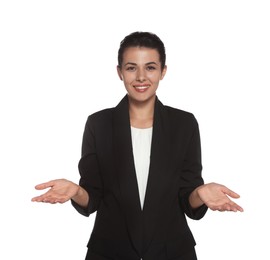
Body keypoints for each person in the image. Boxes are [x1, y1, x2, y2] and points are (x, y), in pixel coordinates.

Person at [32, 31, 243, 260]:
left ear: (163, 71)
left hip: (172, 252)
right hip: (109, 252)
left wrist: (200, 193)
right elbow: (92, 197)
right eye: (132, 67)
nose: (141, 77)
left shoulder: (184, 124)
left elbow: (186, 198)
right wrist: (76, 191)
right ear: (119, 72)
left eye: (150, 67)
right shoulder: (98, 124)